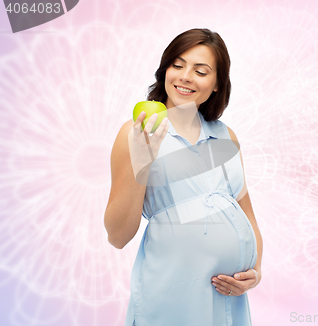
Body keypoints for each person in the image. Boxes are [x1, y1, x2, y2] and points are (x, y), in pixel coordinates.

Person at [104, 28, 263, 326]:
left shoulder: (226, 136)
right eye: (177, 65)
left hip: (228, 300)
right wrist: (142, 162)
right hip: (171, 295)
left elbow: (246, 214)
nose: (185, 76)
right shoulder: (138, 132)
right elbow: (117, 236)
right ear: (165, 70)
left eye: (200, 71)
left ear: (217, 84)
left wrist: (254, 272)